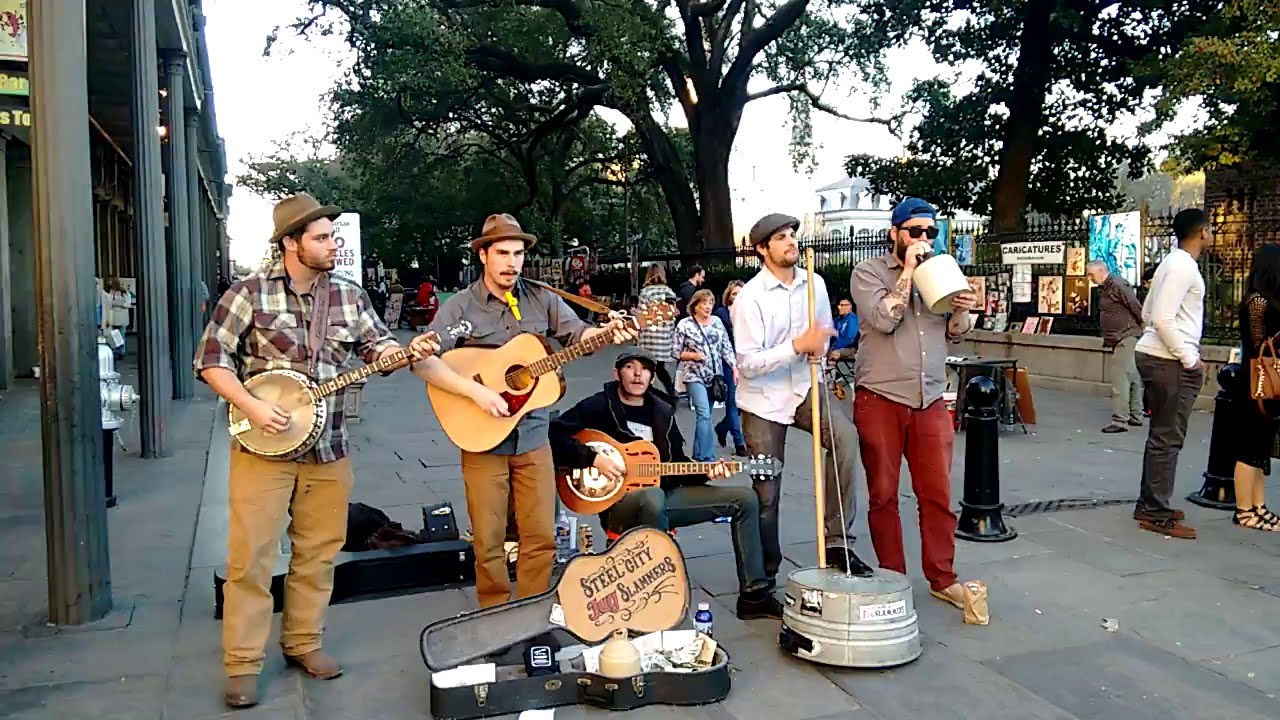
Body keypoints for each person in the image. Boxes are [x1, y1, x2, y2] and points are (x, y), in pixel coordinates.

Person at [195, 193, 451, 708]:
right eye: (321, 237)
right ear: (291, 243)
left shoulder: (349, 295)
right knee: (251, 559)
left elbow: (378, 347)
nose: (333, 244)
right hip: (263, 448)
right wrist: (252, 406)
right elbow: (211, 360)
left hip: (329, 446)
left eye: (332, 235)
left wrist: (402, 352)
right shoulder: (247, 294)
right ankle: (242, 663)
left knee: (318, 552)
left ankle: (303, 642)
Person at [423, 213, 636, 607]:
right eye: (502, 253)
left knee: (540, 535)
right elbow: (424, 359)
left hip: (534, 435)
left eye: (518, 254)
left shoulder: (542, 298)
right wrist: (474, 391)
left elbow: (578, 334)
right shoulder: (461, 307)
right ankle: (493, 612)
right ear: (483, 255)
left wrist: (606, 333)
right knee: (488, 538)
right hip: (483, 438)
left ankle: (532, 611)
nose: (512, 263)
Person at [549, 350, 783, 619]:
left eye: (645, 369)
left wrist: (708, 472)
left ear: (652, 376)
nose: (638, 374)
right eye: (630, 367)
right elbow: (554, 433)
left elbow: (677, 465)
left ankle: (755, 595)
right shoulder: (598, 406)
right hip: (618, 504)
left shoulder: (662, 411)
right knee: (652, 496)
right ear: (617, 374)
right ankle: (659, 589)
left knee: (745, 499)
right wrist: (592, 458)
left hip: (663, 496)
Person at [850, 197, 979, 610]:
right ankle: (893, 579)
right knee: (883, 494)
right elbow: (884, 319)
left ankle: (943, 576)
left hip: (930, 397)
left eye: (930, 231)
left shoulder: (941, 271)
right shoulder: (868, 271)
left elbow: (955, 333)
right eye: (915, 231)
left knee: (937, 493)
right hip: (881, 395)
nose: (924, 238)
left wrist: (964, 309)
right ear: (895, 233)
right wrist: (908, 271)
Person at [733, 212, 868, 580]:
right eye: (780, 237)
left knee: (845, 438)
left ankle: (838, 540)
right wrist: (796, 346)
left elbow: (822, 334)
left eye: (792, 234)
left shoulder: (815, 284)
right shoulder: (750, 298)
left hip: (806, 386)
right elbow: (748, 364)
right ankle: (764, 574)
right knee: (767, 490)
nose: (791, 241)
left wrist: (819, 345)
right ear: (762, 249)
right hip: (763, 399)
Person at [1133, 208, 1211, 539]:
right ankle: (1156, 512)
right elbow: (1162, 318)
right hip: (1169, 360)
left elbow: (1147, 311)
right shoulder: (1183, 267)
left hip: (1156, 355)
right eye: (1210, 229)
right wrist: (1189, 358)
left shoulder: (1170, 263)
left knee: (1161, 435)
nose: (1211, 234)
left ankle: (1149, 503)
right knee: (1168, 438)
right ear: (1202, 232)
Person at [1231, 245, 1280, 531]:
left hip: (1268, 380)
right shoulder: (1257, 301)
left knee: (1261, 448)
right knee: (1249, 448)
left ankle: (1259, 507)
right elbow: (1259, 344)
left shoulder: (1269, 300)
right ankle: (1243, 510)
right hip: (1256, 379)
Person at [674, 288, 737, 461]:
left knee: (705, 416)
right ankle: (707, 457)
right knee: (704, 414)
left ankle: (698, 453)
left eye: (710, 303)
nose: (708, 307)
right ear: (695, 305)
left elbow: (726, 347)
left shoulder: (717, 322)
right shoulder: (685, 325)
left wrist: (734, 367)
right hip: (694, 375)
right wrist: (693, 356)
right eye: (704, 303)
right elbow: (675, 352)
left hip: (714, 376)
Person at [1088, 260, 1146, 433]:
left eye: (1091, 274)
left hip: (1125, 336)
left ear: (1101, 270)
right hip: (1121, 337)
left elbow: (1135, 305)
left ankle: (1120, 420)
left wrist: (1144, 326)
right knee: (1132, 376)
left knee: (1120, 378)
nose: (1089, 278)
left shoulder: (1118, 285)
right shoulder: (1106, 287)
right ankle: (1136, 415)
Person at [714, 280, 747, 456]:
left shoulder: (750, 313)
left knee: (744, 404)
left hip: (748, 362)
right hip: (728, 363)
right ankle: (739, 443)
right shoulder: (721, 314)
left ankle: (722, 427)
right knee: (733, 402)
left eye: (740, 293)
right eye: (734, 294)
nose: (737, 297)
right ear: (729, 296)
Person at [637, 264, 680, 402]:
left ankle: (649, 394)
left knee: (647, 366)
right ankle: (671, 393)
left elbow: (642, 317)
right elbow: (673, 315)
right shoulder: (669, 292)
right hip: (664, 336)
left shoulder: (645, 293)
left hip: (649, 337)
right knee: (660, 368)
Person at [828, 297, 859, 361]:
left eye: (842, 305)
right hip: (836, 348)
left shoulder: (852, 319)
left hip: (849, 348)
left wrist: (835, 348)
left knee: (834, 354)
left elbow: (850, 338)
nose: (839, 307)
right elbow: (832, 336)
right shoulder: (837, 320)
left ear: (850, 306)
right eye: (839, 305)